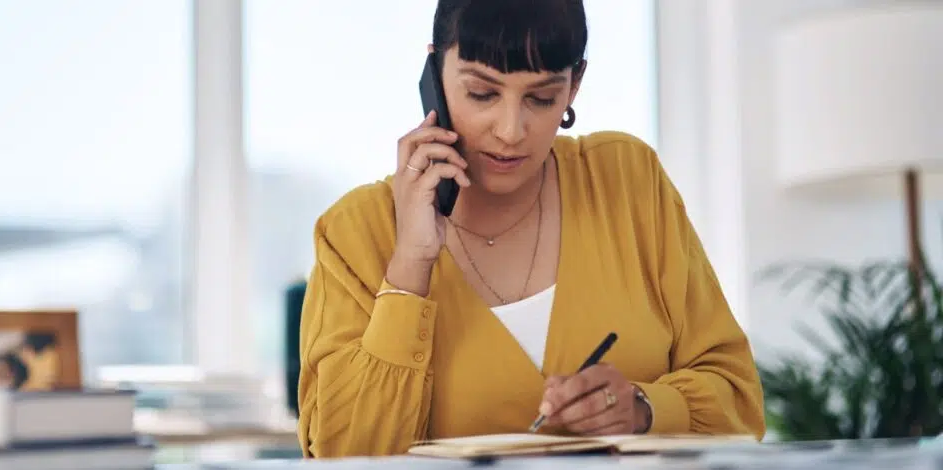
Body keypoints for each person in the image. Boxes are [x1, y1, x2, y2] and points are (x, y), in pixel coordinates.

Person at [296, 0, 765, 458]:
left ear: (574, 85)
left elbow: (740, 405)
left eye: (542, 98)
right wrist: (409, 267)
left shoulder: (628, 181)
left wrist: (645, 410)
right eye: (482, 93)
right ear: (435, 75)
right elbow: (345, 454)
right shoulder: (353, 232)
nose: (510, 130)